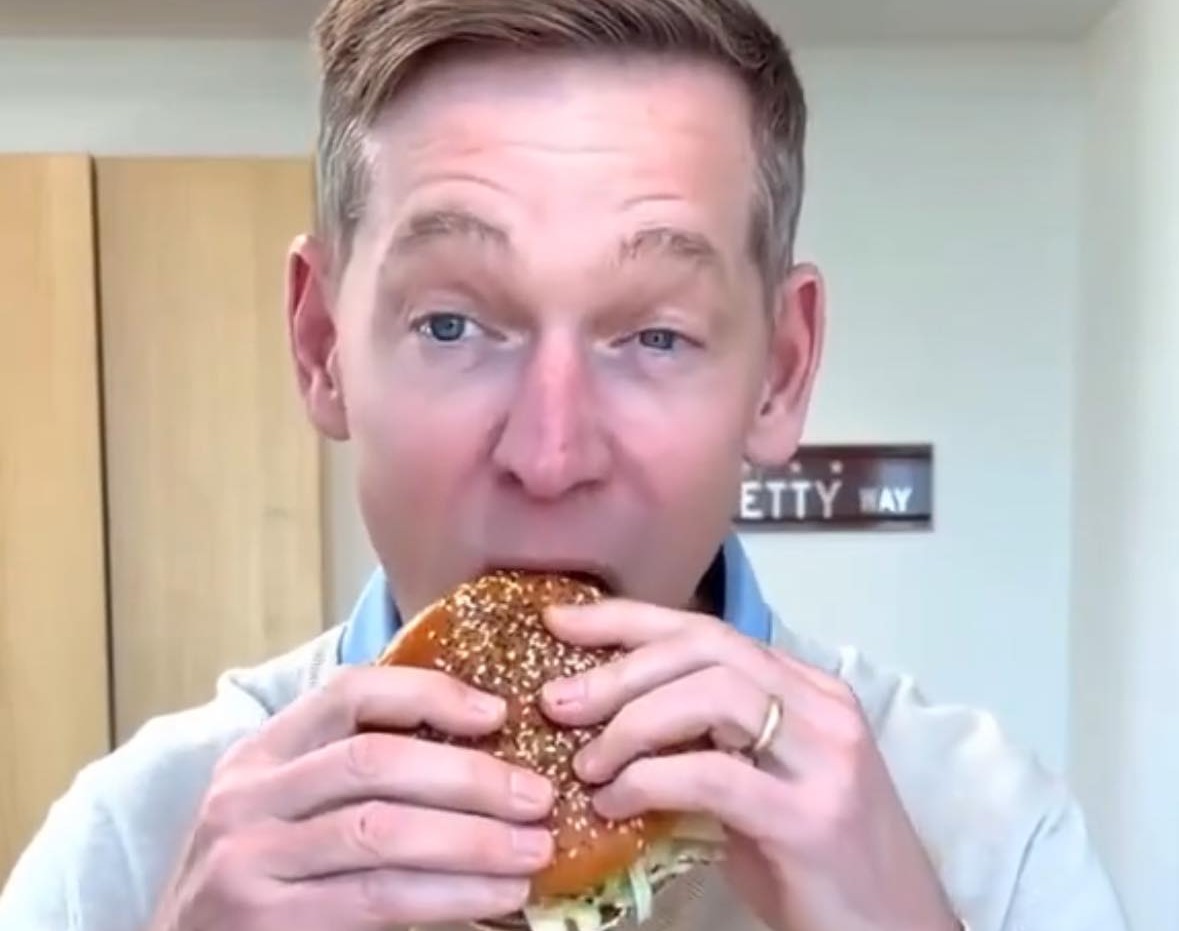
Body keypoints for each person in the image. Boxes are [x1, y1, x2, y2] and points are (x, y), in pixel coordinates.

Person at [0, 0, 1126, 929]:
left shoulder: (988, 837)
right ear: (321, 345)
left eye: (655, 336)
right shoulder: (125, 848)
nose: (549, 456)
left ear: (780, 373)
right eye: (452, 325)